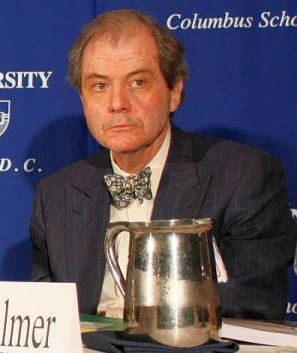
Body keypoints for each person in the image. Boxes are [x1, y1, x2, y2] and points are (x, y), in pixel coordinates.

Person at [30, 9, 297, 320]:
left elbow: (254, 305)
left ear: (174, 93)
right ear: (82, 98)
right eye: (99, 86)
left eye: (138, 82)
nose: (117, 103)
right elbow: (46, 320)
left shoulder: (243, 176)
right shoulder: (56, 194)